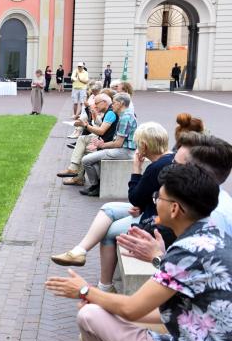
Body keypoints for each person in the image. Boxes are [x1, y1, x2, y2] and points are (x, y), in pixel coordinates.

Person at [46, 163, 232, 341]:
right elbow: (176, 310)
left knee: (89, 313)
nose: (155, 202)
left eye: (159, 197)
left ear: (175, 208)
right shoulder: (215, 236)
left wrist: (85, 291)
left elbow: (132, 308)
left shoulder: (189, 249)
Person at [51, 122, 174, 293]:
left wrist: (136, 169)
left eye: (138, 143)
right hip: (153, 208)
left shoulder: (156, 167)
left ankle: (104, 285)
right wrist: (141, 204)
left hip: (157, 219)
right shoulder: (169, 159)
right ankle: (80, 251)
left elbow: (135, 197)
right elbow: (146, 198)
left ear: (144, 146)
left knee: (109, 233)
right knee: (108, 208)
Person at [118, 132, 232, 261]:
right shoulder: (199, 201)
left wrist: (158, 258)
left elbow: (199, 271)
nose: (169, 167)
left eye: (175, 164)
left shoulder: (215, 216)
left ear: (197, 172)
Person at [79, 92, 137, 197]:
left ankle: (96, 186)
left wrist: (102, 145)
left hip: (125, 152)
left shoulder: (125, 118)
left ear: (121, 103)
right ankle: (96, 185)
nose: (112, 105)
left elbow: (118, 143)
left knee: (86, 160)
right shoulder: (126, 115)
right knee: (92, 157)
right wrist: (101, 144)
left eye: (114, 103)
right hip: (124, 150)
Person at [57, 93, 118, 186]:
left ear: (104, 102)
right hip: (104, 140)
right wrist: (94, 115)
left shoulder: (110, 112)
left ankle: (77, 174)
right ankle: (76, 175)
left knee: (84, 145)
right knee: (82, 141)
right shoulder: (109, 111)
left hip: (106, 142)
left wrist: (85, 125)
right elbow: (102, 126)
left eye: (97, 103)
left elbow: (101, 131)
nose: (96, 105)